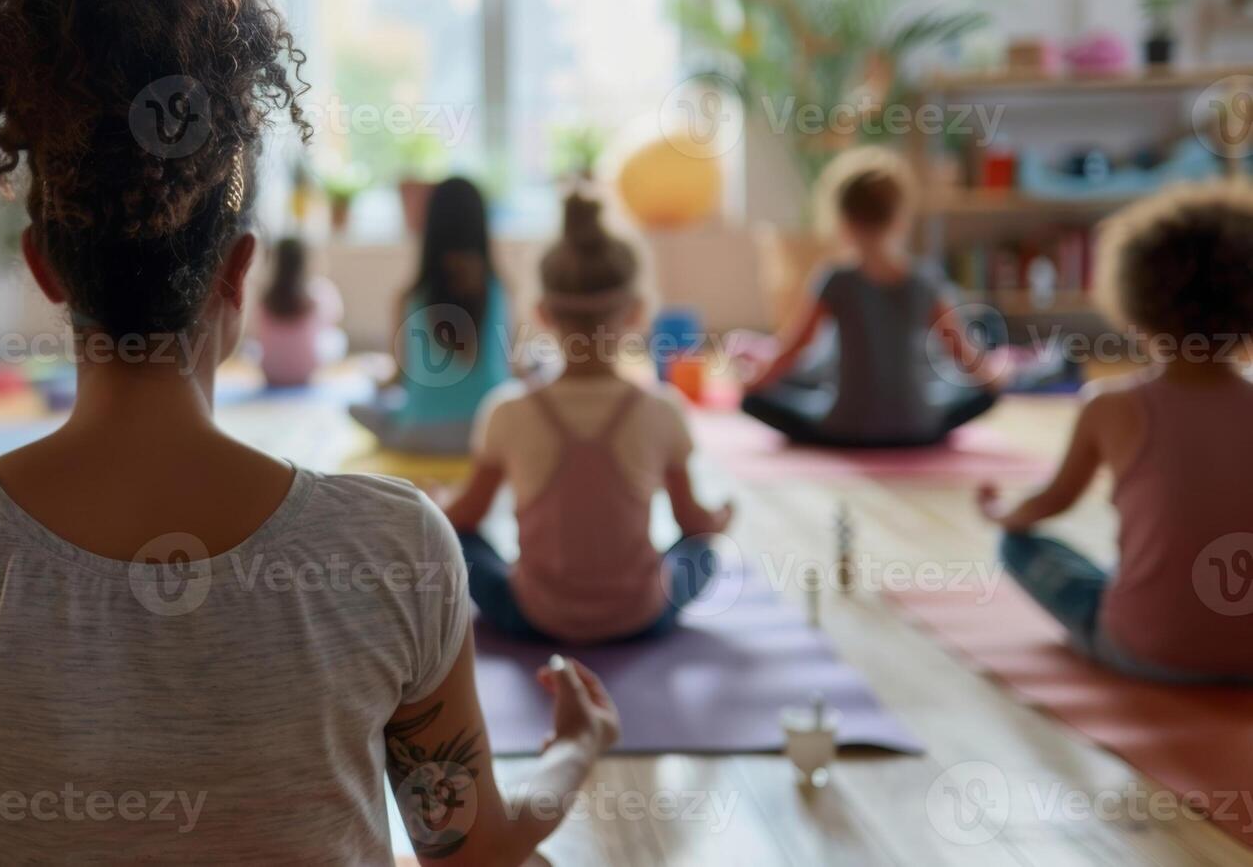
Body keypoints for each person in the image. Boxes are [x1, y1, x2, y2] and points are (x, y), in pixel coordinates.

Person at [0, 0, 619, 865]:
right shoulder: (394, 542)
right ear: (238, 269)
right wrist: (573, 755)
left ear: (44, 265)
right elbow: (471, 844)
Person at [978, 184, 1253, 683]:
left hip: (1146, 650)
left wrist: (1003, 514)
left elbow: (1051, 501)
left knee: (1016, 546)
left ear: (1135, 298)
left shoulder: (1112, 407)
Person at [438, 192, 734, 645]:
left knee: (456, 545)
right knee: (703, 553)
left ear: (540, 313)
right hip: (639, 616)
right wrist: (719, 518)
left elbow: (464, 518)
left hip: (533, 617)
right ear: (637, 311)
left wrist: (437, 500)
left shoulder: (507, 410)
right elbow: (692, 524)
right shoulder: (662, 409)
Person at [740, 148, 1000, 448]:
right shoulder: (924, 281)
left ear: (842, 218)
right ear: (900, 216)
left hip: (842, 428)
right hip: (917, 427)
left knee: (754, 400)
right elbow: (965, 356)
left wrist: (751, 384)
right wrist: (996, 381)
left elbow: (791, 351)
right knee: (979, 392)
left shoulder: (836, 279)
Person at [348, 177, 512, 454]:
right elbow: (504, 368)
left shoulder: (410, 298)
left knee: (354, 406)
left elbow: (400, 379)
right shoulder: (498, 291)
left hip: (418, 436)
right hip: (490, 435)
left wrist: (377, 379)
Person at [252, 235, 345, 387]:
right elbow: (334, 321)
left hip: (271, 372)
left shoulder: (265, 296)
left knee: (251, 348)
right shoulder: (319, 291)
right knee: (337, 338)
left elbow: (256, 335)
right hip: (305, 372)